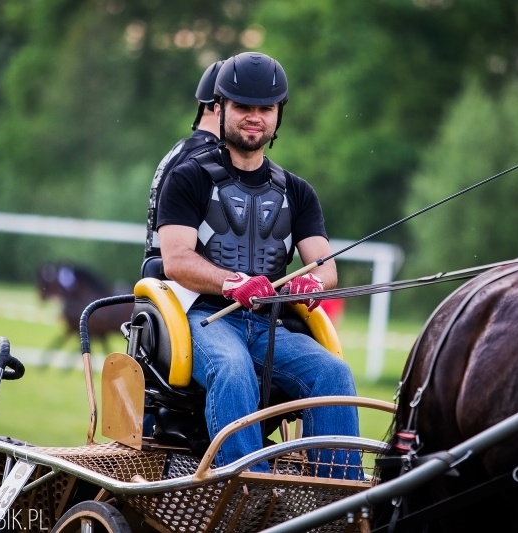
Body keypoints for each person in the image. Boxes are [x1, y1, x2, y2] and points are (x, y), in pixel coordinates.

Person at [156, 51, 361, 478]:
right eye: (243, 107)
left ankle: (340, 501)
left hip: (270, 327)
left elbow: (324, 267)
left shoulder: (299, 192)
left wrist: (312, 285)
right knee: (231, 369)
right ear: (221, 109)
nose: (255, 117)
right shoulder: (188, 178)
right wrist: (232, 283)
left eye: (265, 109)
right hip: (204, 319)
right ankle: (247, 491)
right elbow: (175, 261)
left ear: (278, 115)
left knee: (333, 373)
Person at [143, 60, 225, 263]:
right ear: (222, 107)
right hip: (186, 286)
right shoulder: (212, 158)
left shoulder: (179, 150)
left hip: (157, 280)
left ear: (199, 102)